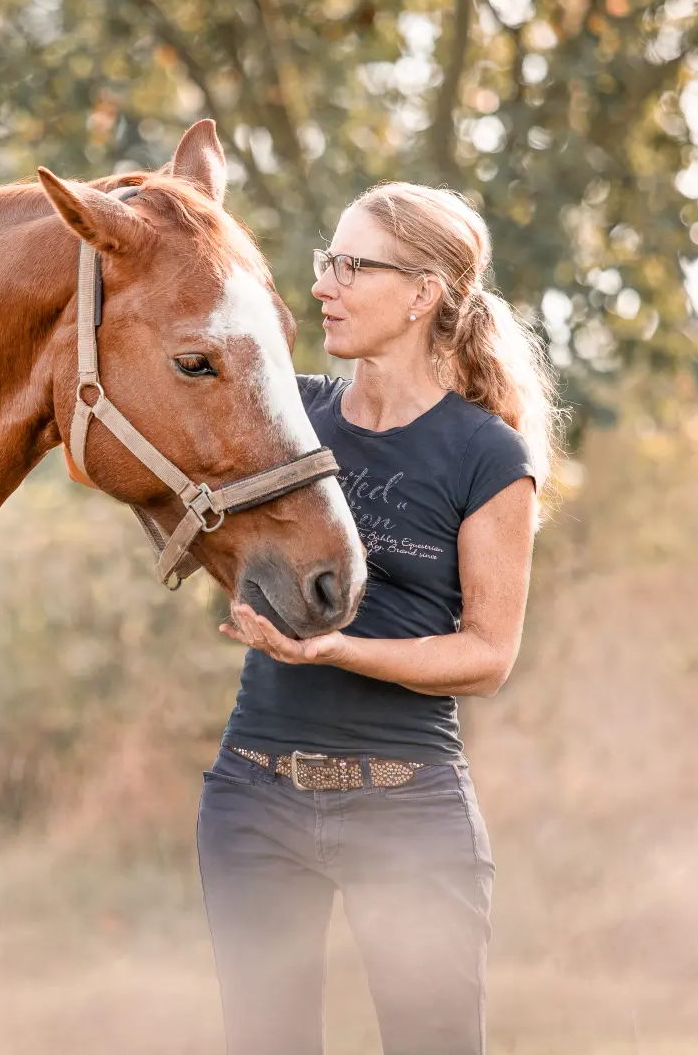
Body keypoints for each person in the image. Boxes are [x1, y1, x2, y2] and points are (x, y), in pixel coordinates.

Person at [200, 181, 558, 1055]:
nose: (325, 284)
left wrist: (335, 649)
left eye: (353, 266)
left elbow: (487, 655)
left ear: (423, 294)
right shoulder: (297, 416)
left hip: (407, 810)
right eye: (329, 261)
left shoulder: (487, 456)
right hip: (254, 797)